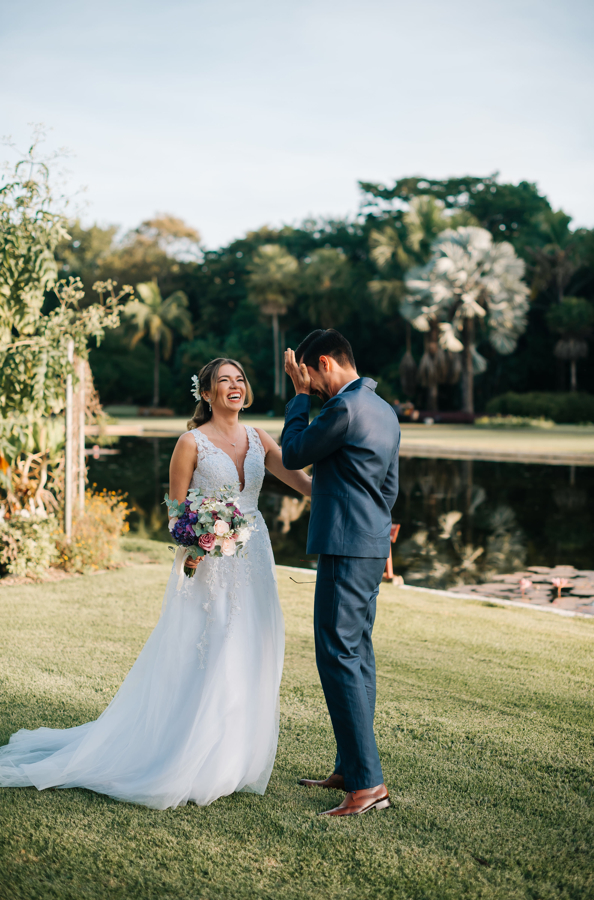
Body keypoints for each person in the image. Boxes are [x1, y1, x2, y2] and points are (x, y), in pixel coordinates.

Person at [0, 358, 311, 809]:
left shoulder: (261, 439)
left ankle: (231, 757)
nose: (234, 386)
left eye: (239, 379)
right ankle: (188, 755)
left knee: (251, 645)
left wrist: (358, 491)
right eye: (223, 381)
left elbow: (305, 485)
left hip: (255, 556)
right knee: (209, 647)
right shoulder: (191, 443)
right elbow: (174, 515)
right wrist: (209, 533)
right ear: (206, 394)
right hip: (208, 562)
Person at [282, 329, 400, 817]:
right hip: (368, 547)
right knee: (358, 655)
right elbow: (390, 488)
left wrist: (298, 396)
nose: (310, 381)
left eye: (310, 373)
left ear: (325, 363)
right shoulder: (384, 410)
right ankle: (352, 769)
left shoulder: (344, 408)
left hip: (346, 548)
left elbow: (293, 453)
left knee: (337, 655)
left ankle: (368, 785)